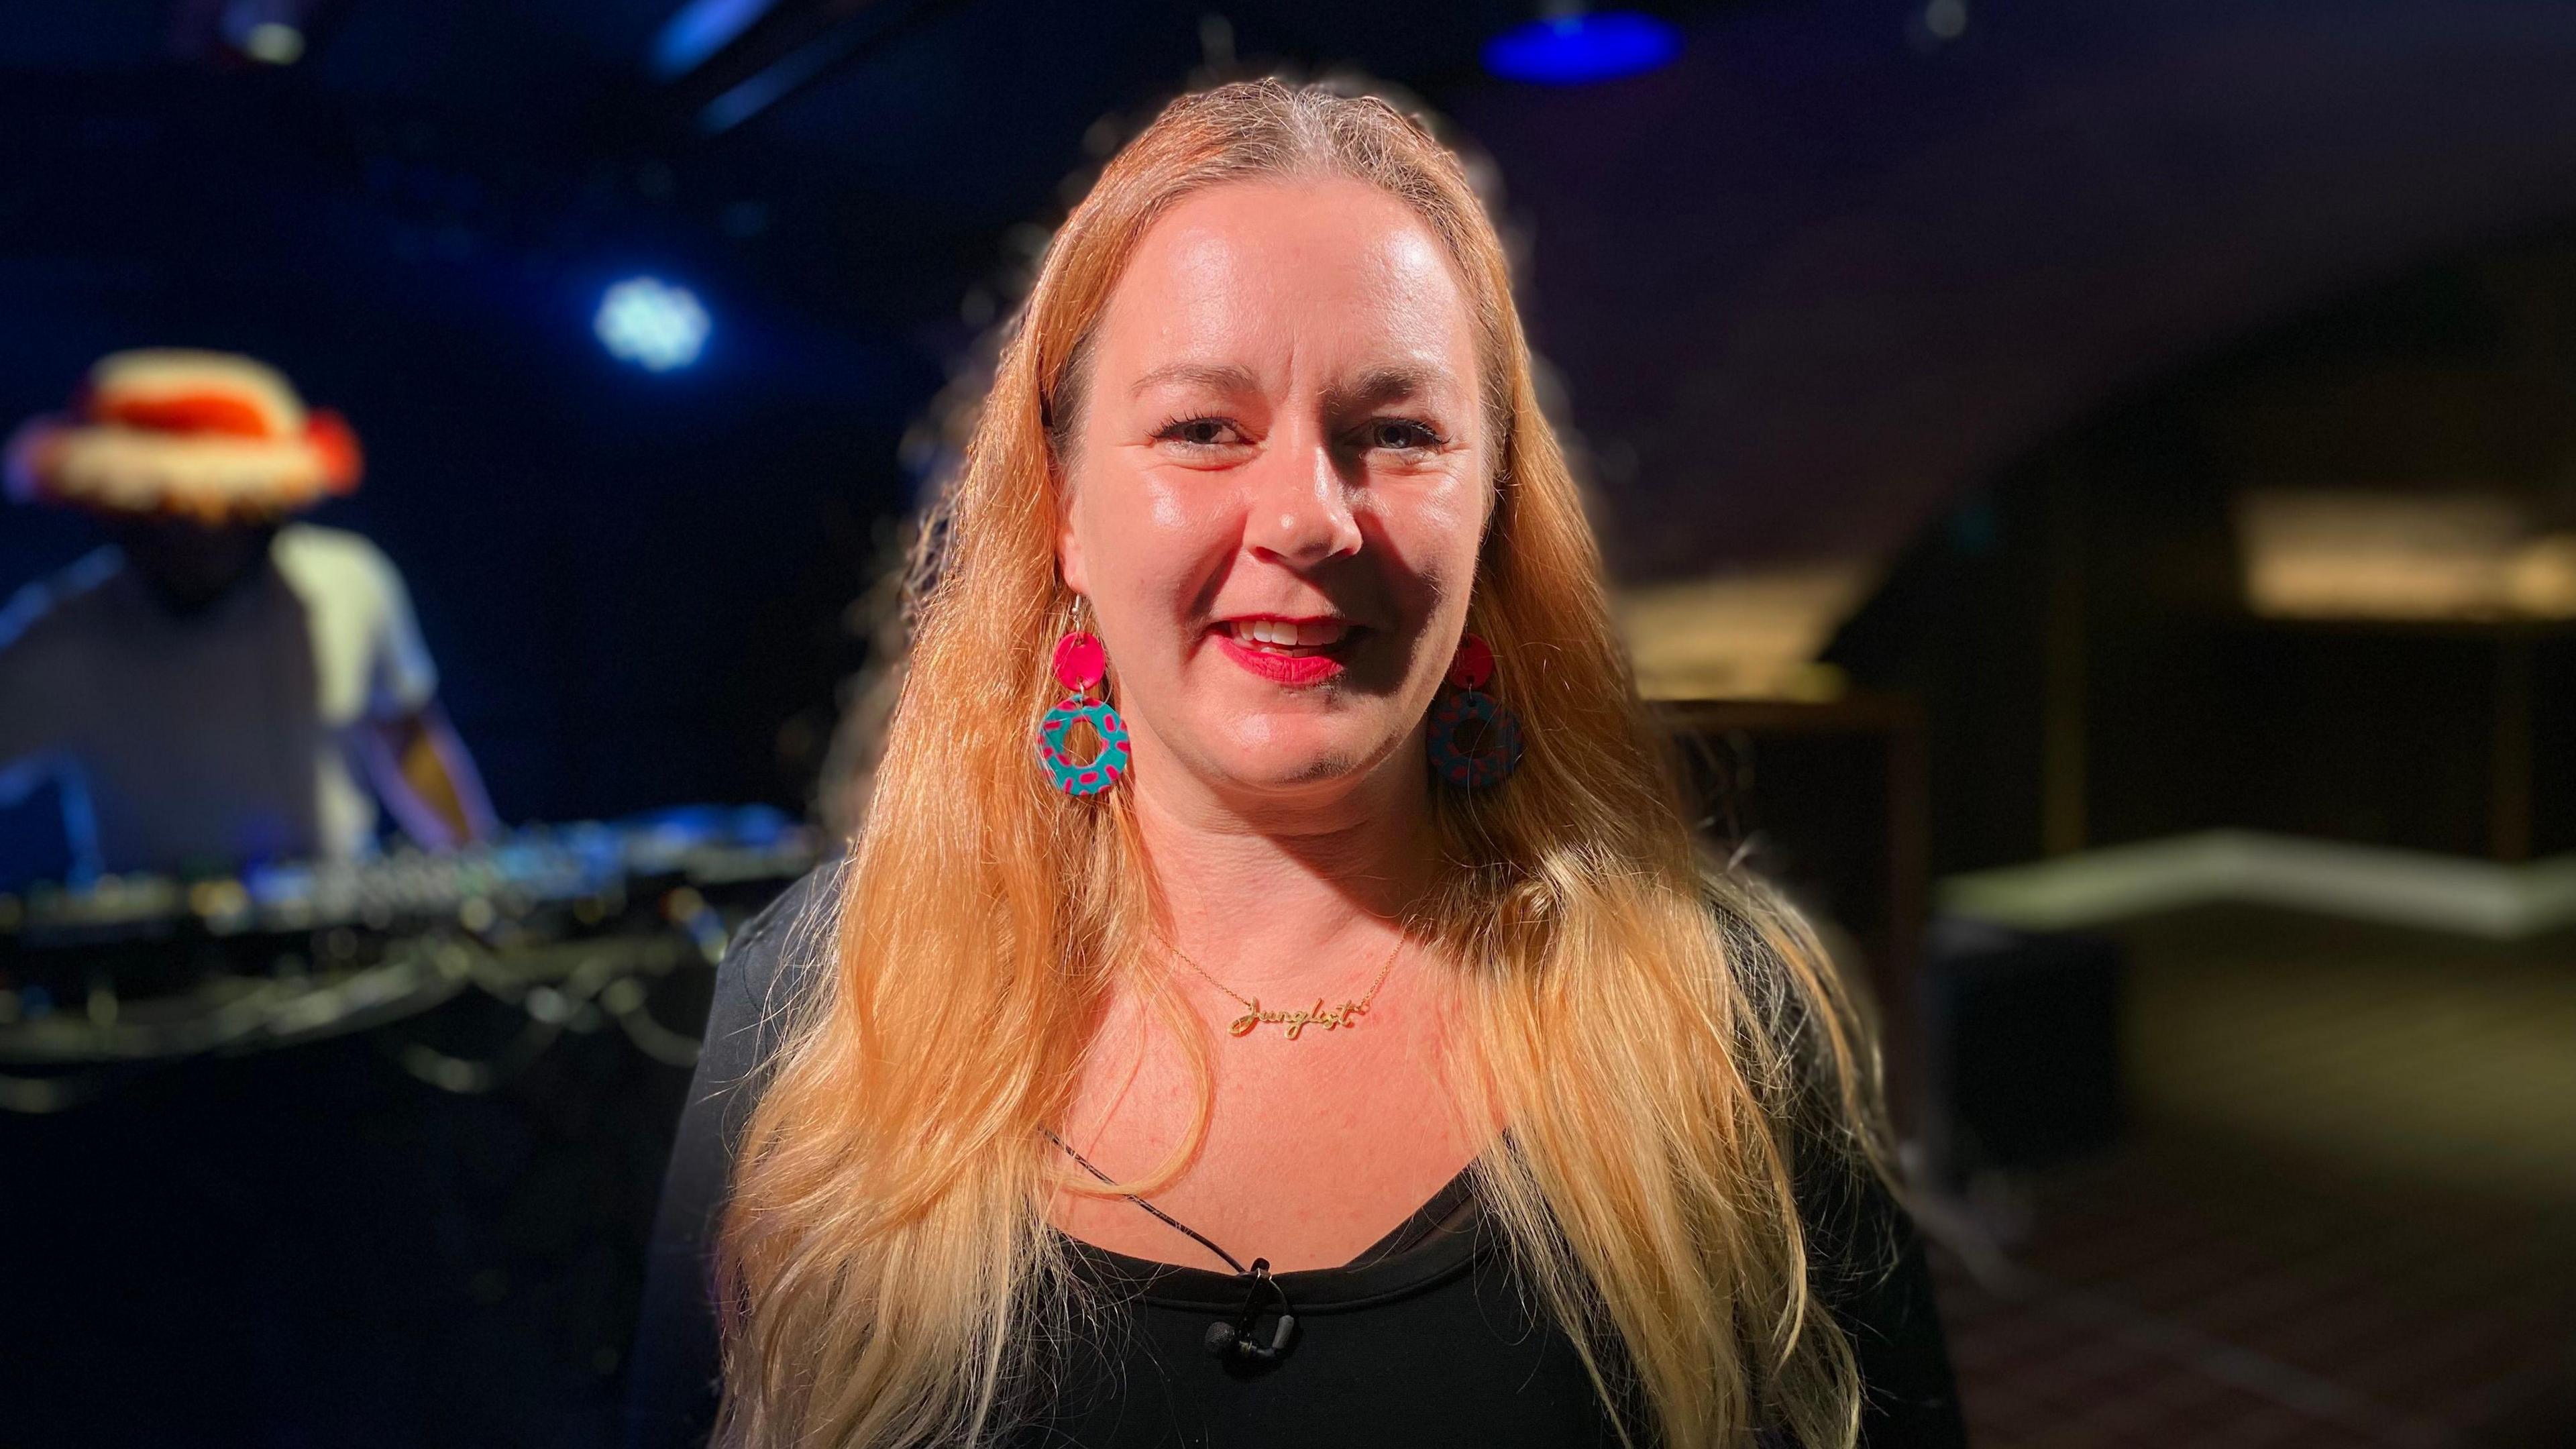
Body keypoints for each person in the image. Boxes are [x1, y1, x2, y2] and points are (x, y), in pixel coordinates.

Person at [630, 80, 1963, 1449]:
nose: (1311, 518)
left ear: (1495, 512)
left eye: (1397, 432)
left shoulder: (1716, 1026)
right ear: (1064, 511)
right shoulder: (820, 1004)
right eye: (1205, 427)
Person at [0, 349, 495, 879]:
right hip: (148, 947)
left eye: (225, 517)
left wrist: (486, 876)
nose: (197, 540)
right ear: (116, 512)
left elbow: (407, 734)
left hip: (340, 921)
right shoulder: (59, 630)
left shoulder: (350, 579)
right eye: (166, 517)